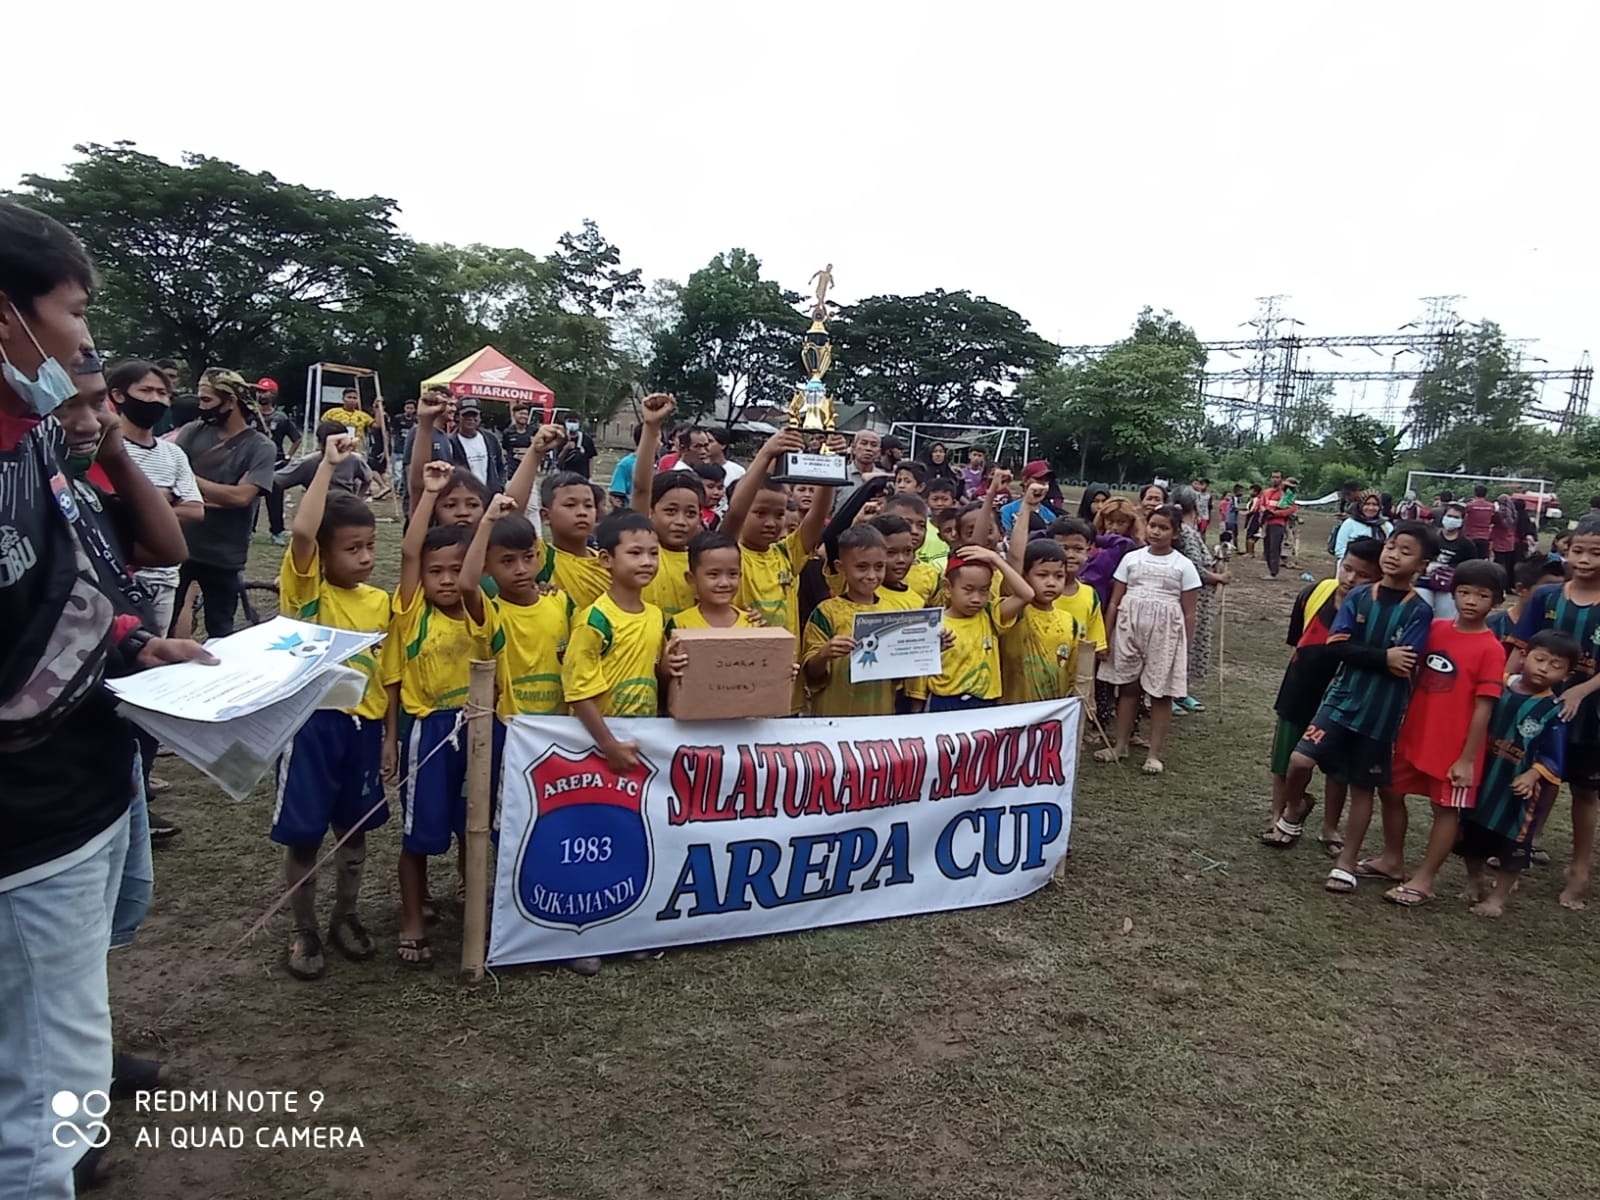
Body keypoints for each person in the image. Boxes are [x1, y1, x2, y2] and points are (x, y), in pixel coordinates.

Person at [0, 201, 218, 1199]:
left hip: (82, 788)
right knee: (39, 1104)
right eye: (75, 309)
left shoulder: (33, 447)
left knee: (63, 1039)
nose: (86, 340)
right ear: (8, 315)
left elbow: (85, 581)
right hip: (28, 822)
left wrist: (139, 642)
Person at [274, 435, 389, 979]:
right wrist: (327, 464)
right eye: (352, 548)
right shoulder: (307, 594)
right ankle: (303, 928)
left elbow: (386, 674)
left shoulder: (378, 602)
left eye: (369, 546)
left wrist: (388, 734)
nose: (365, 558)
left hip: (362, 731)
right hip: (311, 729)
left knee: (355, 829)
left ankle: (346, 915)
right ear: (322, 554)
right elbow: (301, 529)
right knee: (305, 832)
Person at [1278, 522, 1436, 895]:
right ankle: (1293, 810)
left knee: (1362, 787)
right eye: (1392, 546)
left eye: (1406, 550)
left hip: (1380, 711)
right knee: (1300, 760)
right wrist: (1383, 656)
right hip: (1341, 698)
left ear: (1423, 564)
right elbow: (1338, 646)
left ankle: (1346, 862)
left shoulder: (1419, 612)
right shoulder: (1359, 596)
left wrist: (1372, 655)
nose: (1394, 554)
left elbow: (1406, 662)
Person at [382, 464, 488, 970]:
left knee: (475, 826)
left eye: (456, 571)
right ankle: (413, 920)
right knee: (419, 834)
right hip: (429, 733)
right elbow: (408, 550)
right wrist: (427, 493)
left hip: (479, 732)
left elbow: (471, 573)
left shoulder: (481, 608)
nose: (447, 580)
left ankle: (474, 912)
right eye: (436, 571)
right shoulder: (411, 610)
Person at [1372, 560, 1508, 906]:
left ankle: (1425, 879)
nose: (1471, 601)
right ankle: (1392, 859)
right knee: (1389, 790)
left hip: (1455, 748)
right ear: (1452, 592)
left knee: (1444, 810)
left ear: (1496, 601)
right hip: (1415, 736)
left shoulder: (1492, 649)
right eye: (1464, 592)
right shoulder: (1436, 628)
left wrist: (1466, 759)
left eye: (1482, 595)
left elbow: (1484, 707)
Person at [1261, 537, 1385, 852]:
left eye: (1363, 575)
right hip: (1299, 690)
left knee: (1336, 768)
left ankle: (1330, 828)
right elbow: (1297, 642)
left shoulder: (1376, 611)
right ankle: (1280, 815)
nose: (1350, 579)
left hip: (1344, 698)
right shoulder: (1313, 594)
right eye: (1347, 569)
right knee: (1285, 760)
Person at [1504, 513, 1600, 909]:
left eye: (1596, 553)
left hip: (1590, 714)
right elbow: (1519, 648)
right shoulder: (1545, 597)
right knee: (1528, 780)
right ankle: (1513, 853)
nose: (1585, 560)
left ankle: (1579, 868)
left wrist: (1580, 692)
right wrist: (1503, 683)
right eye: (1578, 550)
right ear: (1566, 550)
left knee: (1584, 791)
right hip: (1535, 708)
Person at [1459, 630, 1577, 917]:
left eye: (1555, 666)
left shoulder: (1554, 710)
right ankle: (1474, 880)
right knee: (1470, 833)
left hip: (1518, 792)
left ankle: (1497, 899)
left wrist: (1533, 775)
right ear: (1524, 656)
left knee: (1514, 846)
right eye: (1540, 659)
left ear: (1566, 676)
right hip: (1483, 778)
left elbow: (1554, 756)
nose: (1544, 668)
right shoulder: (1498, 687)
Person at [1095, 505, 1200, 775]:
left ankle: (1154, 754)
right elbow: (1115, 600)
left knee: (1160, 693)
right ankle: (1120, 745)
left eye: (1163, 528)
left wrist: (1185, 648)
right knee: (1127, 688)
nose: (1156, 531)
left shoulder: (1183, 566)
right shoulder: (1132, 559)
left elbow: (1189, 612)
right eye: (1153, 525)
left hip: (1165, 635)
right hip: (1129, 629)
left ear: (1175, 533)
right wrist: (1105, 636)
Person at [175, 368, 276, 639]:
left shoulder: (260, 447)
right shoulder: (192, 431)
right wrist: (217, 495)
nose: (200, 407)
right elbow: (168, 480)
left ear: (230, 401)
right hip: (179, 546)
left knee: (221, 632)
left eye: (207, 401)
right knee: (166, 624)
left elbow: (241, 497)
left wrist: (188, 479)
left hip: (224, 554)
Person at [106, 360, 203, 636]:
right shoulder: (105, 450)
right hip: (119, 575)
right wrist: (164, 498)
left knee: (153, 654)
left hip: (165, 578)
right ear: (118, 395)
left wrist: (134, 505)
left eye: (162, 393)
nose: (155, 399)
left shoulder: (173, 454)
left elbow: (196, 509)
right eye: (146, 391)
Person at [722, 430, 835, 640]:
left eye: (779, 514)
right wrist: (766, 454)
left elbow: (818, 514)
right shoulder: (728, 553)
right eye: (760, 513)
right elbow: (736, 513)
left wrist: (830, 461)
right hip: (742, 663)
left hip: (787, 667)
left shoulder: (787, 553)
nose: (771, 523)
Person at [907, 546, 1034, 712]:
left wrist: (996, 559)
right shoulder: (934, 625)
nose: (976, 599)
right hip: (945, 703)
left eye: (984, 590)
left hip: (986, 702)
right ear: (947, 587)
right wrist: (917, 713)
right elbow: (920, 679)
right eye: (968, 590)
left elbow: (1027, 595)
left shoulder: (990, 616)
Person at [803, 525, 899, 716]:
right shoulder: (826, 612)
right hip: (835, 717)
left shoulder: (893, 611)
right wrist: (824, 653)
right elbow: (811, 674)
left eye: (879, 567)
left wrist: (928, 645)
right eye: (861, 567)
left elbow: (901, 672)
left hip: (880, 715)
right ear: (840, 567)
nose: (871, 576)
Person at [629, 394, 704, 618]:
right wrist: (652, 426)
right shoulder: (644, 550)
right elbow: (641, 488)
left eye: (691, 513)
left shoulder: (705, 559)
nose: (680, 521)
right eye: (670, 511)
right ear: (651, 511)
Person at [999, 528, 1080, 704]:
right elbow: (1015, 560)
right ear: (1024, 577)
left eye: (1059, 576)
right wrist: (1027, 507)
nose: (1051, 583)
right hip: (1011, 709)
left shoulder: (1069, 622)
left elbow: (1073, 672)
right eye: (1042, 575)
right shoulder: (1016, 612)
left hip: (1050, 713)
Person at [1173, 486, 1230, 713]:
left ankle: (1182, 691)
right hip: (1191, 598)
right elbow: (1195, 570)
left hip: (1200, 599)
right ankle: (1171, 694)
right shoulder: (1185, 532)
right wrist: (1220, 577)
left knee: (1193, 644)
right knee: (1183, 644)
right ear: (1196, 507)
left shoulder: (1190, 531)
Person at [1045, 516, 1108, 702]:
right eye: (1064, 548)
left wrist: (1089, 695)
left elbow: (1092, 649)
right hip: (1039, 676)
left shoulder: (1090, 595)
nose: (1071, 555)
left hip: (1073, 684)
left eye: (1078, 549)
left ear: (1088, 550)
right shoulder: (1037, 593)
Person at [669, 530, 754, 630]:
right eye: (713, 574)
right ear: (691, 579)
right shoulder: (679, 624)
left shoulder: (751, 623)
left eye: (732, 574)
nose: (724, 583)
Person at [1419, 500, 1482, 620]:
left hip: (1448, 588)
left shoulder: (1467, 544)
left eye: (1456, 517)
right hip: (1424, 583)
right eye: (1449, 516)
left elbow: (1471, 568)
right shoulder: (1431, 537)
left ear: (1462, 521)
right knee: (1420, 615)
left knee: (1444, 620)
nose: (1451, 519)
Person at [256, 378, 301, 547]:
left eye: (265, 391)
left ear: (273, 394)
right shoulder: (250, 414)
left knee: (274, 500)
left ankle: (276, 532)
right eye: (259, 390)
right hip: (252, 463)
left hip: (275, 464)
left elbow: (296, 439)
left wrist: (288, 457)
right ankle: (249, 530)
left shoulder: (281, 418)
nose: (262, 394)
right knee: (249, 498)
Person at [276, 420, 373, 498]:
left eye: (339, 443)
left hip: (345, 509)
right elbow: (277, 481)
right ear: (320, 443)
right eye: (331, 444)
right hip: (317, 510)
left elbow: (367, 478)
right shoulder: (307, 463)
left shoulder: (354, 459)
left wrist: (357, 499)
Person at [403, 387, 457, 515]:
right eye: (450, 405)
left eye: (454, 405)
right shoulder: (418, 432)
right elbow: (410, 470)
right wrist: (415, 503)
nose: (454, 409)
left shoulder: (445, 436)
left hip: (439, 504)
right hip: (421, 505)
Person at [1489, 555, 1565, 643]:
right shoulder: (1493, 626)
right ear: (1520, 589)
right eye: (1549, 588)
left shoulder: (1560, 627)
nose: (1557, 594)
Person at [881, 492, 946, 591]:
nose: (915, 531)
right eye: (906, 523)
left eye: (921, 525)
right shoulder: (871, 569)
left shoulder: (930, 574)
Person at [450, 398, 504, 493]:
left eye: (474, 415)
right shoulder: (450, 442)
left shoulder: (491, 439)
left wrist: (500, 487)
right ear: (457, 417)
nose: (470, 419)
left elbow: (501, 466)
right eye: (466, 415)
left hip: (491, 496)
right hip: (465, 496)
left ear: (480, 417)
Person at [1000, 461, 1060, 535]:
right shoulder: (1007, 511)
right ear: (1025, 480)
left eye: (1046, 480)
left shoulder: (1050, 516)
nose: (1043, 484)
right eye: (1039, 479)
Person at [833, 428, 883, 514]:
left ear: (879, 452)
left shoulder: (883, 479)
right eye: (864, 443)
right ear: (853, 448)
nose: (868, 449)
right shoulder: (839, 475)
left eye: (874, 445)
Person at [1258, 470, 1296, 579]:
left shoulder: (1286, 494)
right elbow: (1261, 505)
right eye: (1273, 477)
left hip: (1278, 523)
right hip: (1266, 523)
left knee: (1274, 548)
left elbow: (1291, 509)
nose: (1275, 479)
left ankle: (1273, 573)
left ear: (1281, 479)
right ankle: (1271, 570)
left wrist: (1275, 513)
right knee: (1267, 549)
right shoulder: (1266, 492)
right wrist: (1264, 512)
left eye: (1277, 477)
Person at [1333, 490, 1392, 559]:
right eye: (1367, 504)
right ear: (1360, 505)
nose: (1371, 508)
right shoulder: (1350, 523)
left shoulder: (1386, 526)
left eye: (1375, 504)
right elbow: (1340, 550)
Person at [609, 424, 642, 506]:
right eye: (658, 439)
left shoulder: (659, 463)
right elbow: (615, 497)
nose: (661, 443)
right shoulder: (626, 464)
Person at [705, 427, 746, 492]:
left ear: (723, 445)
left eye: (710, 441)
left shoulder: (738, 471)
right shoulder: (697, 468)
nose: (706, 445)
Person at [1490, 493, 1520, 576]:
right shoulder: (1514, 513)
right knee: (1508, 564)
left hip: (1499, 541)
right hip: (1510, 541)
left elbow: (1491, 521)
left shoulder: (1499, 514)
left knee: (1498, 564)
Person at [500, 402, 535, 470]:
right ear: (514, 415)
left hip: (529, 467)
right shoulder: (508, 432)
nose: (524, 416)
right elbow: (505, 448)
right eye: (521, 414)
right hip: (511, 469)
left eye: (526, 414)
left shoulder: (534, 431)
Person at [1463, 484, 1496, 557]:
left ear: (1475, 493)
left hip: (1471, 536)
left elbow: (1463, 516)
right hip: (1485, 536)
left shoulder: (1470, 505)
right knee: (1481, 559)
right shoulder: (1491, 506)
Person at [692, 461, 726, 526]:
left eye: (720, 488)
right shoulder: (686, 512)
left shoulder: (716, 519)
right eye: (710, 487)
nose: (716, 492)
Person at [1244, 483, 1264, 556]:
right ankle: (1249, 552)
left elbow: (1253, 510)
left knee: (1250, 535)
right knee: (1249, 535)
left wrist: (1245, 513)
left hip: (1253, 519)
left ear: (1255, 492)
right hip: (1251, 518)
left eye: (1251, 490)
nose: (1250, 492)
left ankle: (1250, 553)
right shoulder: (1253, 499)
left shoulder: (1256, 500)